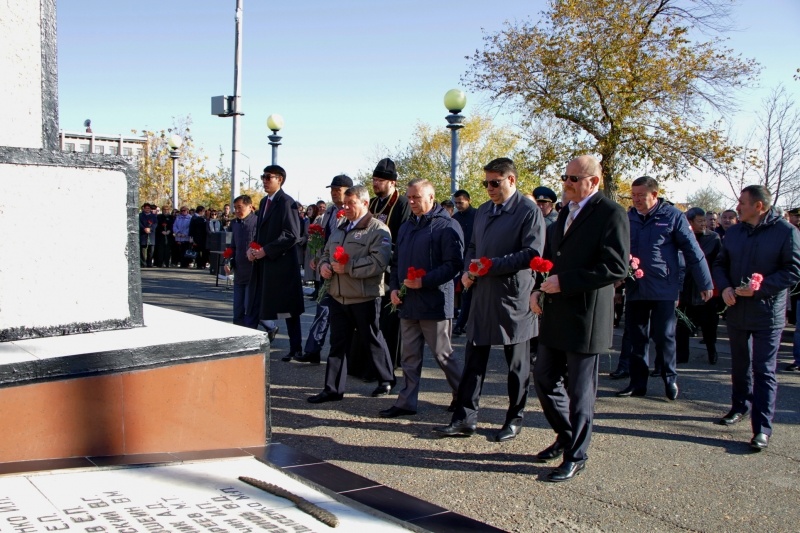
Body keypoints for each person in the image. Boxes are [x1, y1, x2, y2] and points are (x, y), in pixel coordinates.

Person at [530, 155, 629, 482]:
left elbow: (616, 267)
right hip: (556, 312)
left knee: (580, 390)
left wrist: (567, 282)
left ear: (593, 182)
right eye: (565, 176)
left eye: (574, 178)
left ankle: (577, 454)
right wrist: (538, 290)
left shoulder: (610, 213)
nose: (567, 183)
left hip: (586, 316)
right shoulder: (565, 213)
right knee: (544, 377)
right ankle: (567, 435)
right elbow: (552, 260)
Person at [434, 157, 545, 441]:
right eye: (486, 183)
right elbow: (473, 245)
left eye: (495, 183)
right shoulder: (484, 211)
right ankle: (465, 418)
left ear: (511, 180)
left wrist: (489, 265)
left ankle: (514, 419)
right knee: (474, 359)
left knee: (517, 365)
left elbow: (532, 254)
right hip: (483, 293)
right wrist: (471, 268)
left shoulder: (528, 211)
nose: (490, 189)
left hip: (514, 297)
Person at [712, 185, 800, 450]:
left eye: (742, 203)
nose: (738, 207)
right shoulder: (735, 232)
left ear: (759, 206)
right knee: (739, 365)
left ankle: (762, 428)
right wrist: (726, 287)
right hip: (737, 309)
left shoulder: (786, 232)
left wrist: (761, 288)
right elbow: (720, 263)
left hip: (767, 313)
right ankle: (740, 406)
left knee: (763, 370)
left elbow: (792, 271)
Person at [617, 176, 713, 401]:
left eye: (641, 195)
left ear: (654, 195)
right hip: (636, 286)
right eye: (633, 195)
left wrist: (705, 282)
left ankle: (670, 378)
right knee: (636, 337)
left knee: (663, 335)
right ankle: (637, 383)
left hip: (663, 286)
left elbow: (692, 251)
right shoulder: (628, 218)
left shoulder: (672, 217)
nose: (637, 199)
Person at [381, 179, 465, 418]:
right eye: (409, 197)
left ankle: (464, 395)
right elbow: (397, 262)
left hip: (434, 303)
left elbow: (454, 265)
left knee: (443, 354)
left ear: (430, 197)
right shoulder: (407, 226)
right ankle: (406, 402)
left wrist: (424, 281)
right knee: (409, 356)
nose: (411, 202)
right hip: (408, 302)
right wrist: (394, 288)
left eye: (416, 197)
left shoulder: (447, 226)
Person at [307, 185, 396, 403]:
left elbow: (378, 262)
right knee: (337, 344)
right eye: (344, 203)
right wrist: (324, 266)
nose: (345, 207)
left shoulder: (378, 230)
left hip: (364, 297)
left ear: (365, 203)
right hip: (338, 296)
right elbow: (327, 253)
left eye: (351, 203)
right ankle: (333, 389)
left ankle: (386, 379)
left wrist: (348, 267)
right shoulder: (340, 228)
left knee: (372, 339)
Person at [246, 165, 305, 359]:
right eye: (262, 176)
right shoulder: (264, 202)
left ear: (279, 179)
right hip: (264, 263)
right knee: (256, 303)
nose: (264, 180)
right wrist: (253, 248)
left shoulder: (287, 202)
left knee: (288, 309)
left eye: (268, 177)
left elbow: (291, 235)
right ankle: (250, 345)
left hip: (282, 265)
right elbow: (261, 231)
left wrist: (266, 251)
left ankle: (296, 347)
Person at [295, 175, 354, 364]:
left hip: (343, 269)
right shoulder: (328, 213)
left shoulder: (350, 212)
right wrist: (317, 257)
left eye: (338, 190)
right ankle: (313, 350)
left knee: (339, 315)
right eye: (332, 190)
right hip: (326, 267)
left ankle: (349, 358)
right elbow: (322, 238)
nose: (334, 193)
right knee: (322, 308)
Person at [369, 158, 411, 370]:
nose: (375, 184)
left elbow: (402, 237)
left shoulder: (401, 203)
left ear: (392, 182)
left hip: (391, 268)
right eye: (374, 179)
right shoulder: (373, 203)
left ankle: (390, 363)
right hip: (372, 268)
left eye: (380, 180)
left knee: (389, 319)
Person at [675, 207, 722, 365]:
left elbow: (718, 264)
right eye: (700, 221)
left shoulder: (714, 238)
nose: (704, 224)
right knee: (682, 325)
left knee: (709, 325)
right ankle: (682, 356)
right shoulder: (682, 236)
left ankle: (712, 351)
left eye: (704, 221)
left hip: (705, 289)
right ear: (690, 222)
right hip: (685, 287)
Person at [228, 195, 259, 329]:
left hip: (253, 270)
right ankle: (238, 333)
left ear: (250, 207)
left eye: (239, 207)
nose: (237, 211)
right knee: (238, 308)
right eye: (235, 208)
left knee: (250, 307)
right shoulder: (234, 224)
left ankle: (265, 329)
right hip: (239, 271)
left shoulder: (258, 222)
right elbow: (232, 246)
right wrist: (228, 260)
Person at [451, 189, 477, 337]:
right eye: (456, 203)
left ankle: (461, 325)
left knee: (471, 295)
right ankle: (461, 324)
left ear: (469, 200)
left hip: (474, 260)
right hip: (460, 261)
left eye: (461, 203)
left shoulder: (478, 215)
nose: (458, 206)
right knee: (464, 294)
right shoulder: (454, 218)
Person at [139, 203, 157, 267]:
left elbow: (155, 224)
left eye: (148, 208)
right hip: (143, 234)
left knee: (151, 250)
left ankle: (149, 263)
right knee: (142, 250)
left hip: (151, 234)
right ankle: (143, 263)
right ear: (143, 208)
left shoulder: (154, 216)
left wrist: (150, 229)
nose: (147, 209)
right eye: (146, 208)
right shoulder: (140, 215)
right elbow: (139, 223)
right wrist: (144, 228)